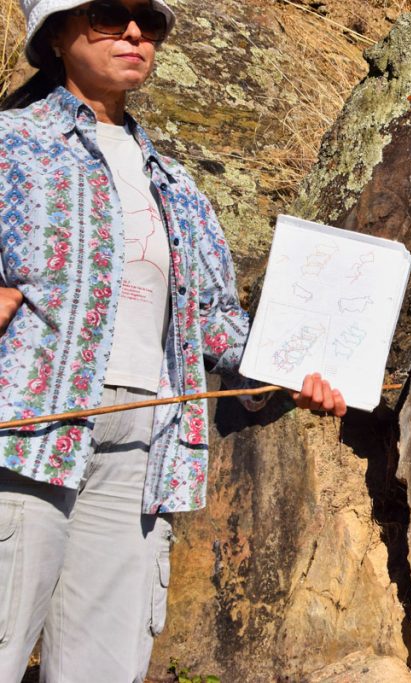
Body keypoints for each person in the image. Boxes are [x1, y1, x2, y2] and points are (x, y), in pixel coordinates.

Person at [0, 0, 346, 679]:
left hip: (144, 449)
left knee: (102, 667)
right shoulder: (9, 146)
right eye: (106, 15)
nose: (133, 33)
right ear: (55, 33)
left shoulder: (177, 186)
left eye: (148, 22)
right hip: (21, 438)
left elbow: (220, 326)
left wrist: (292, 373)